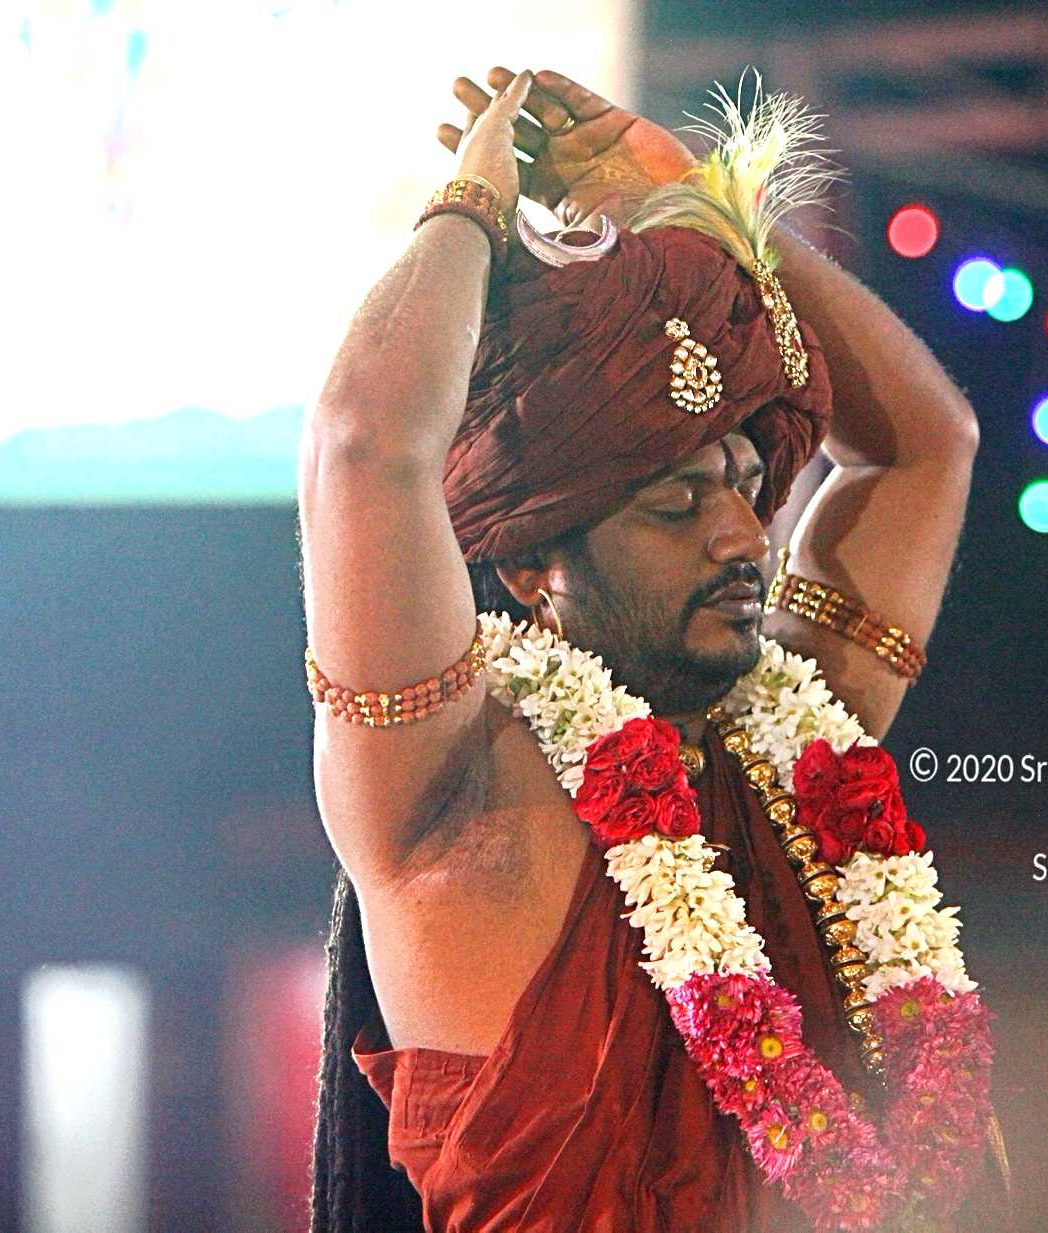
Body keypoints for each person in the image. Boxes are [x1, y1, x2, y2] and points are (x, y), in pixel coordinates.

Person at [299, 64, 1004, 1232]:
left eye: (744, 482)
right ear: (532, 569)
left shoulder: (797, 750)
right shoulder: (456, 800)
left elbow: (925, 442)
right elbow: (367, 445)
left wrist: (691, 203)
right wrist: (466, 213)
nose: (742, 534)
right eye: (673, 505)